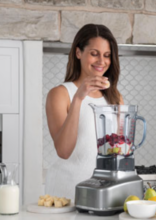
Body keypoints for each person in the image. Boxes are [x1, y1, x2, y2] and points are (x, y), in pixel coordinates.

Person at [45, 24, 124, 199]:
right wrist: (79, 98)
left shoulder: (115, 97)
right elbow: (64, 151)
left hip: (104, 192)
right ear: (78, 52)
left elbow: (117, 151)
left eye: (107, 55)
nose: (101, 61)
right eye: (94, 53)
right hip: (66, 193)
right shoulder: (60, 94)